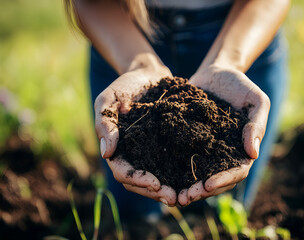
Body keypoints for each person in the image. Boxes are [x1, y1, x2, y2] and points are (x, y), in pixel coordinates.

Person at [65, 0, 290, 219]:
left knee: (224, 218)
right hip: (120, 37)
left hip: (245, 35)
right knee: (134, 221)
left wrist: (227, 63)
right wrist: (140, 66)